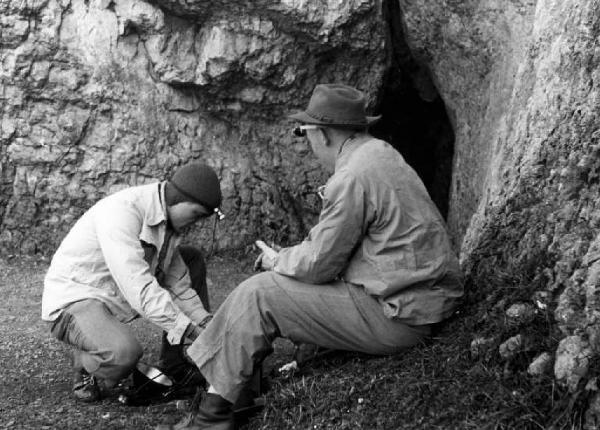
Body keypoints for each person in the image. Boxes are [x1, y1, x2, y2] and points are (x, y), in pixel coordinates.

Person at [156, 83, 464, 430]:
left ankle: (212, 417)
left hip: (399, 317)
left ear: (323, 134)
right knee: (270, 288)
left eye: (304, 133)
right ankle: (235, 392)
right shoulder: (382, 154)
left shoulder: (351, 177)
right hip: (423, 302)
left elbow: (319, 264)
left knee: (259, 294)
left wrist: (278, 260)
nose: (307, 141)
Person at [41, 162, 224, 402]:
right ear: (179, 199)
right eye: (197, 214)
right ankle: (86, 363)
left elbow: (177, 285)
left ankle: (175, 363)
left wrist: (206, 324)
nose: (197, 222)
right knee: (125, 355)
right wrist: (190, 331)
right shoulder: (122, 212)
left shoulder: (166, 219)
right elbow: (140, 289)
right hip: (74, 300)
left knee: (192, 259)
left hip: (109, 294)